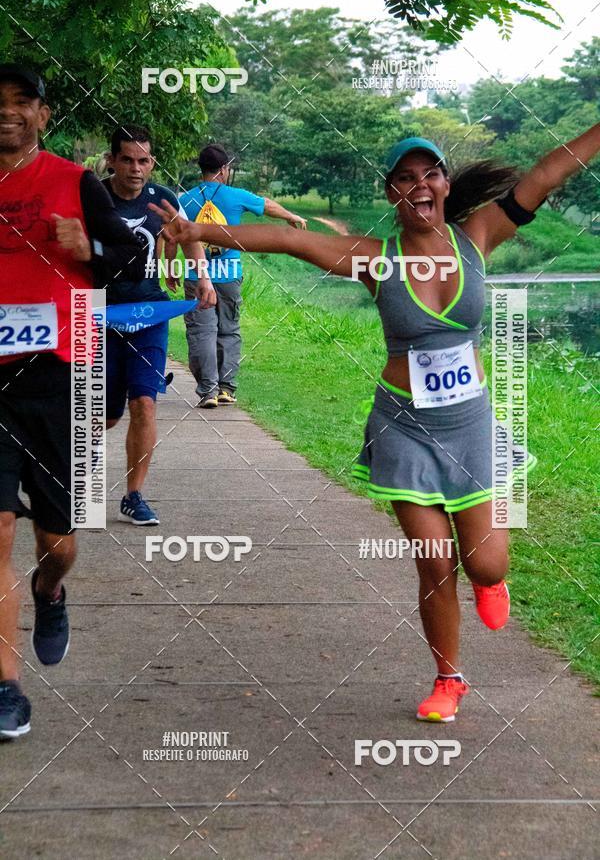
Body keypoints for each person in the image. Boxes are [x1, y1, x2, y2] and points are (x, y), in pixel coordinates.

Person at [151, 124, 600, 722]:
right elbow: (287, 240)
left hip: (469, 426)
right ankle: (448, 679)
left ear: (445, 184)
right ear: (392, 193)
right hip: (405, 429)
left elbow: (547, 173)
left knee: (486, 562)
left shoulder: (479, 235)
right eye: (405, 178)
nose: (420, 185)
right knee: (434, 560)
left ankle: (491, 579)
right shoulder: (375, 259)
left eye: (430, 174)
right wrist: (200, 232)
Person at [0, 65, 146, 739]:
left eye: (21, 102)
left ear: (43, 114)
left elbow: (133, 261)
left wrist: (90, 246)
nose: (8, 112)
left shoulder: (76, 181)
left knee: (58, 540)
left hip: (66, 371)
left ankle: (49, 588)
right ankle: (6, 687)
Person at [103, 126, 215, 525]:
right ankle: (73, 485)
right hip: (98, 313)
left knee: (145, 402)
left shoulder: (163, 197)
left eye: (144, 160)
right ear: (112, 160)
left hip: (149, 311)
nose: (136, 168)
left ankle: (134, 495)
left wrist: (203, 277)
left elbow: (190, 236)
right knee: (103, 415)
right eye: (127, 160)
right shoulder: (93, 195)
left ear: (152, 163)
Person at [179, 143, 307, 408]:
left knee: (202, 332)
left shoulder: (184, 200)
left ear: (201, 169)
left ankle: (208, 391)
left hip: (196, 275)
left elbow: (171, 235)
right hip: (229, 276)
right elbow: (266, 205)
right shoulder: (235, 196)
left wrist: (169, 266)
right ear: (224, 169)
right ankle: (226, 388)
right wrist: (290, 216)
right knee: (228, 330)